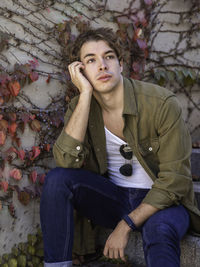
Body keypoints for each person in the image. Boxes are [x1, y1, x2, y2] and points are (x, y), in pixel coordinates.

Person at [40, 27, 200, 267]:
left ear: (121, 64)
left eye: (109, 57)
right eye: (91, 60)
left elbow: (175, 181)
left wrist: (126, 225)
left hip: (162, 202)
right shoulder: (81, 107)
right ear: (81, 71)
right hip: (114, 197)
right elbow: (65, 160)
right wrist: (84, 95)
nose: (102, 66)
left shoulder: (161, 103)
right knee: (57, 180)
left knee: (159, 229)